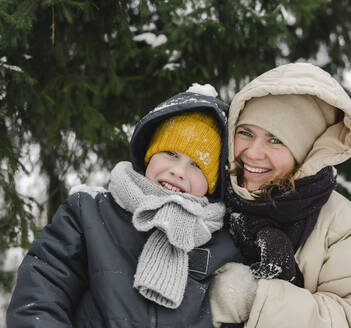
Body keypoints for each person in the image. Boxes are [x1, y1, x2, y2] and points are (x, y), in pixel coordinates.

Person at [7, 91, 242, 327]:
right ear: (149, 153)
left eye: (197, 165)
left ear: (213, 182)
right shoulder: (88, 214)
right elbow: (42, 292)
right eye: (170, 153)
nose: (178, 171)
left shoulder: (221, 243)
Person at [209, 63, 351, 327]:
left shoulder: (343, 227)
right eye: (246, 132)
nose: (252, 152)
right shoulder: (204, 191)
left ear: (304, 153)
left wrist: (253, 300)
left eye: (275, 140)